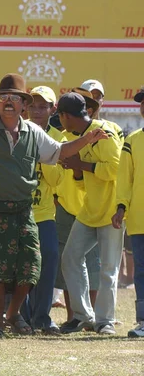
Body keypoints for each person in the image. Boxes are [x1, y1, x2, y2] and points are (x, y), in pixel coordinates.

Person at [0, 74, 108, 339]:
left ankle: (13, 313)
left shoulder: (34, 132)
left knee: (31, 267)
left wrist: (87, 140)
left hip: (23, 209)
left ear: (23, 105)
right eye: (3, 97)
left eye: (15, 98)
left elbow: (60, 152)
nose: (8, 102)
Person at [59, 92, 123, 335]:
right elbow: (84, 183)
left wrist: (81, 165)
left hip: (112, 211)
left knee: (108, 269)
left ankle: (105, 321)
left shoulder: (101, 132)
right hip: (90, 210)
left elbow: (115, 169)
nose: (61, 121)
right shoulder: (80, 137)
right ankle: (84, 315)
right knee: (70, 258)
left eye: (60, 116)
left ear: (66, 116)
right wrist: (77, 171)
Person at [23, 86, 65, 334]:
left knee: (49, 259)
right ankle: (23, 318)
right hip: (19, 211)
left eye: (43, 106)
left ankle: (42, 317)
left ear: (53, 109)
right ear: (26, 107)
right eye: (34, 105)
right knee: (22, 268)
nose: (37, 110)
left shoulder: (59, 137)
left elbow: (57, 179)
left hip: (45, 213)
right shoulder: (17, 131)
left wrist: (42, 150)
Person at [111, 87, 144, 337]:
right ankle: (143, 322)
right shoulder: (132, 140)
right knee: (141, 272)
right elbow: (125, 179)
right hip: (140, 219)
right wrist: (121, 207)